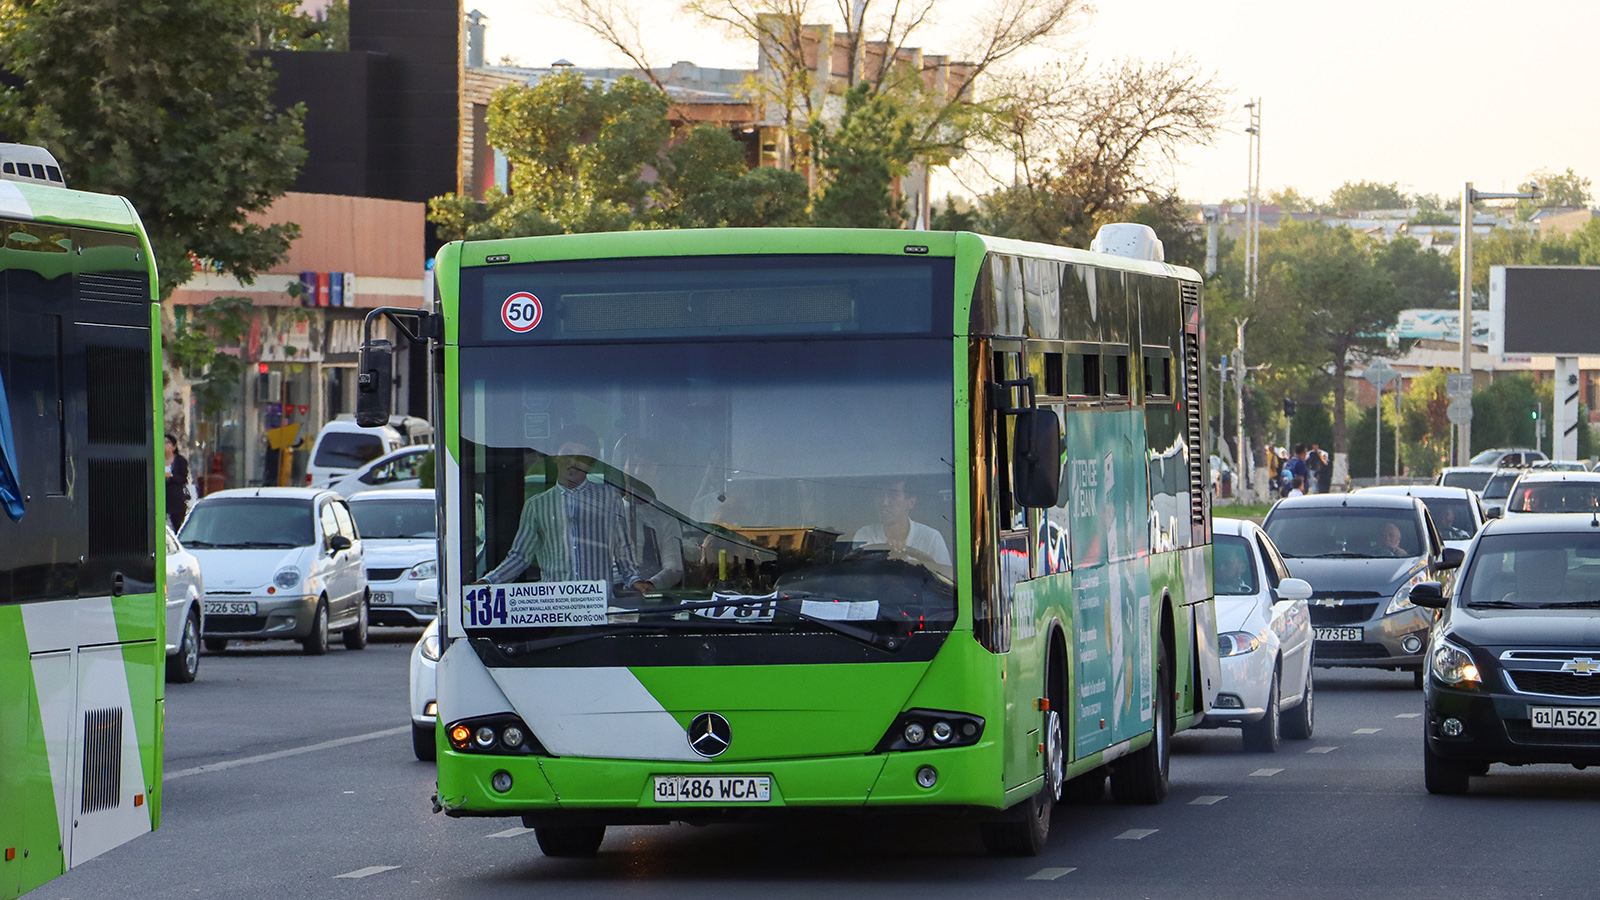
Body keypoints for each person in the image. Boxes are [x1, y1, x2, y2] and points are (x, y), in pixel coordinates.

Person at [479, 426, 652, 596]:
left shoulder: (610, 498)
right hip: (555, 609)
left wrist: (635, 580)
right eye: (567, 453)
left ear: (591, 464)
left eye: (582, 457)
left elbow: (622, 547)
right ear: (555, 457)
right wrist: (488, 582)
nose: (573, 462)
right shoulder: (536, 505)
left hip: (598, 605)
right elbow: (520, 556)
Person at [852, 480, 952, 578]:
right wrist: (887, 558)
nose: (884, 502)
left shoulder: (931, 537)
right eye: (879, 494)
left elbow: (946, 576)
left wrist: (903, 563)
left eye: (893, 495)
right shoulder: (866, 534)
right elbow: (858, 575)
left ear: (911, 502)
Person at [164, 433, 191, 529]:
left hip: (175, 499)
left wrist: (171, 476)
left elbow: (183, 479)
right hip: (162, 497)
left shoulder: (180, 461)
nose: (164, 445)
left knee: (177, 524)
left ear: (174, 446)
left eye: (167, 443)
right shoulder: (157, 459)